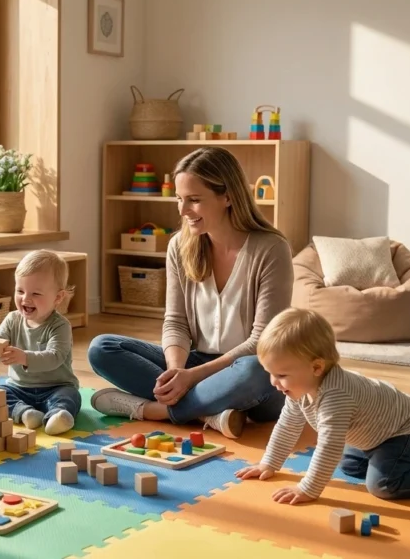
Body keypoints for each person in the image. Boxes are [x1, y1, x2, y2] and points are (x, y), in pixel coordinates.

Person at [88, 146, 291, 438]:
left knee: (254, 370)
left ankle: (156, 410)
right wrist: (176, 372)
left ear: (228, 197)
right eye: (179, 199)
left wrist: (192, 377)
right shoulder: (179, 246)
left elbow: (263, 341)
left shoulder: (271, 249)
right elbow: (176, 322)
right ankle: (210, 412)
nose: (183, 211)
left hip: (253, 373)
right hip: (197, 363)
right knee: (102, 348)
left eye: (194, 200)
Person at [235, 308, 410, 503]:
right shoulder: (298, 389)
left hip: (408, 430)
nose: (273, 382)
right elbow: (287, 427)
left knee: (383, 486)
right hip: (374, 436)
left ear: (316, 367)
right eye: (270, 373)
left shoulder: (335, 397)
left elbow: (328, 447)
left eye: (281, 375)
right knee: (350, 466)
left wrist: (307, 488)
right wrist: (269, 463)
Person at [0, 250, 81, 436]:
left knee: (71, 396)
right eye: (20, 291)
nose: (25, 299)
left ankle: (57, 416)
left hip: (56, 387)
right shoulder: (12, 319)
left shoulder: (60, 326)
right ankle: (26, 413)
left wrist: (24, 357)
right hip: (18, 388)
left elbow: (55, 357)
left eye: (35, 293)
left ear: (58, 298)